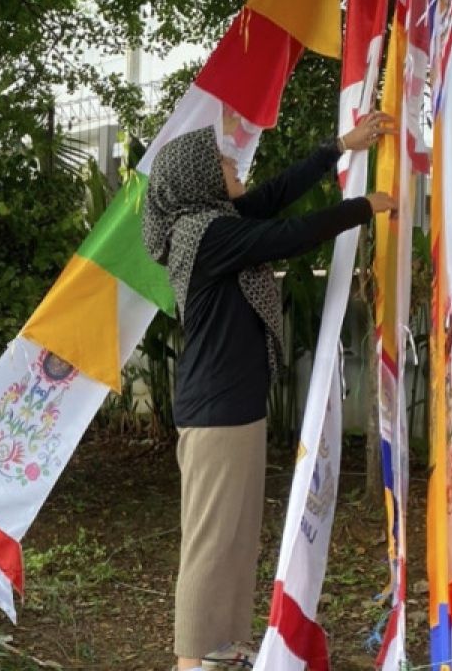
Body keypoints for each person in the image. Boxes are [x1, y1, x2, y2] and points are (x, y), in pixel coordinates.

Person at [142, 112, 398, 671]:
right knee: (212, 544)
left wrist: (339, 147)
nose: (235, 164)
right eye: (223, 161)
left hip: (230, 406)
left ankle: (220, 646)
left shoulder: (215, 219)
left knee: (234, 538)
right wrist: (363, 207)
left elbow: (276, 195)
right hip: (217, 412)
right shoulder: (208, 233)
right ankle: (191, 661)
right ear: (199, 179)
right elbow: (286, 236)